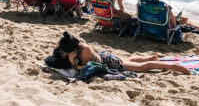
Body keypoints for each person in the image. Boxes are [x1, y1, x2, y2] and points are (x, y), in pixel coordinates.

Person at [56, 31, 190, 75]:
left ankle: (174, 66)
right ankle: (152, 57)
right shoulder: (76, 48)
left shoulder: (83, 51)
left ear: (72, 50)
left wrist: (73, 62)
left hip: (109, 62)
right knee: (129, 60)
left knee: (142, 68)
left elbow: (85, 70)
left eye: (64, 52)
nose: (63, 54)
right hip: (104, 57)